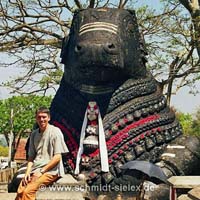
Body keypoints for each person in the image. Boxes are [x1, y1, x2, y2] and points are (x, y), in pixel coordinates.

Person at [15, 107, 69, 200]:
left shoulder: (55, 132)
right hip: (35, 169)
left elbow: (57, 157)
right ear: (36, 118)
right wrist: (27, 173)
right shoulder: (34, 134)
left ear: (49, 118)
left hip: (51, 170)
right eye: (39, 117)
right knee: (20, 191)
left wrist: (41, 171)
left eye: (44, 117)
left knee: (28, 192)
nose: (41, 120)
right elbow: (31, 157)